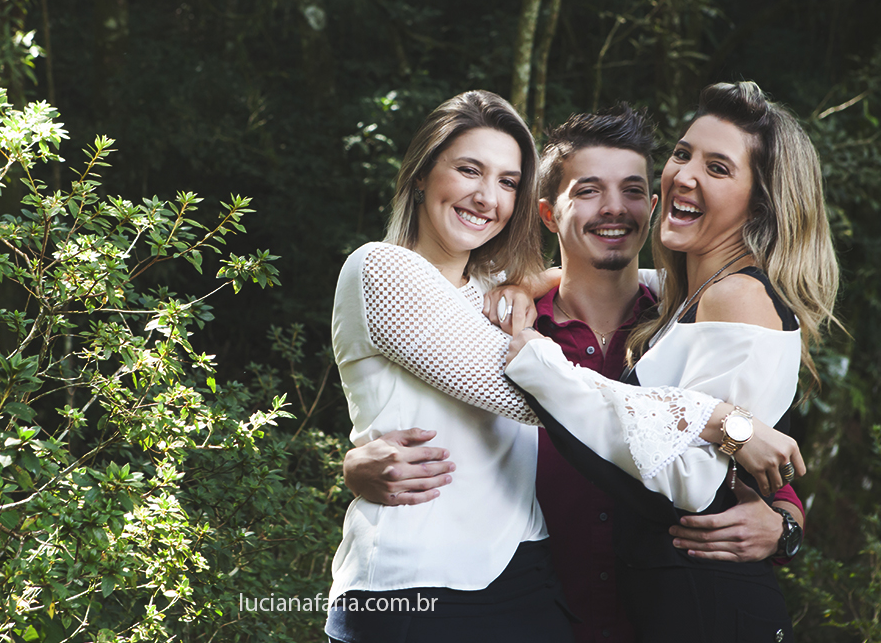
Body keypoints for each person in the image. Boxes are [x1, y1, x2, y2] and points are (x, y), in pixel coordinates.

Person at [326, 89, 799, 643]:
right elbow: (524, 397)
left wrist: (785, 522)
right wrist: (713, 418)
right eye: (589, 191)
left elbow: (769, 444)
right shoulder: (512, 330)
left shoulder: (689, 322)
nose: (614, 209)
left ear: (651, 206)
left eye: (507, 181)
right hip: (505, 601)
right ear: (548, 213)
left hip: (643, 615)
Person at [505, 83, 838, 641]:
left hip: (698, 611)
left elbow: (723, 468)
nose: (685, 174)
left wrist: (785, 522)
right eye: (683, 154)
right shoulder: (674, 313)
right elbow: (731, 436)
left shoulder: (733, 299)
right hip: (557, 617)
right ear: (548, 213)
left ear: (760, 202)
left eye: (718, 167)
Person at [325, 89, 571, 643]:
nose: (487, 197)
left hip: (527, 573)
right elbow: (540, 399)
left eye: (508, 182)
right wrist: (718, 423)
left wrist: (528, 281)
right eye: (468, 170)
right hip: (414, 588)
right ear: (420, 174)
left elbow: (622, 284)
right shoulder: (380, 270)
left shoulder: (495, 290)